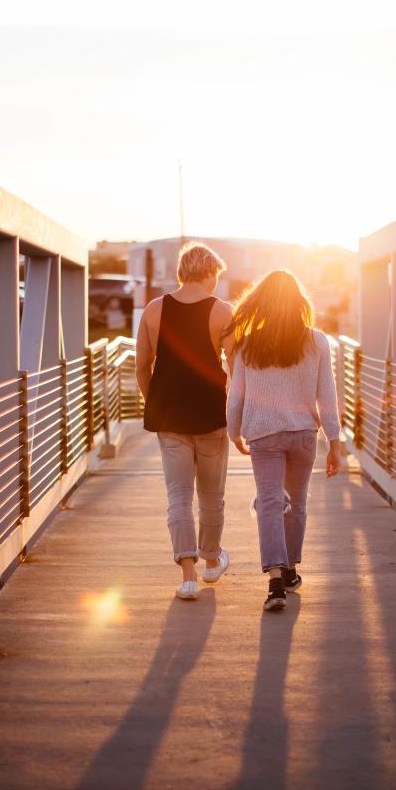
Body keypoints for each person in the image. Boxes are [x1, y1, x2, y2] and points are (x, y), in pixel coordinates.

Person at [226, 270, 341, 611]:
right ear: (298, 301)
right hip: (305, 435)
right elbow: (328, 396)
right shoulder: (317, 341)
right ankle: (290, 569)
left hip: (264, 435)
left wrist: (234, 433)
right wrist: (334, 440)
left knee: (271, 503)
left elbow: (236, 398)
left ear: (260, 303)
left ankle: (275, 580)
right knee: (298, 503)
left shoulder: (247, 344)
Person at [135, 242, 235, 600]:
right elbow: (236, 372)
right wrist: (237, 417)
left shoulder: (154, 310)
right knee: (212, 495)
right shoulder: (223, 312)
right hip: (212, 414)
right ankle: (212, 562)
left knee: (178, 497)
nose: (216, 284)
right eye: (216, 276)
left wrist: (156, 403)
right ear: (209, 272)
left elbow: (141, 367)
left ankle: (188, 577)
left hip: (170, 415)